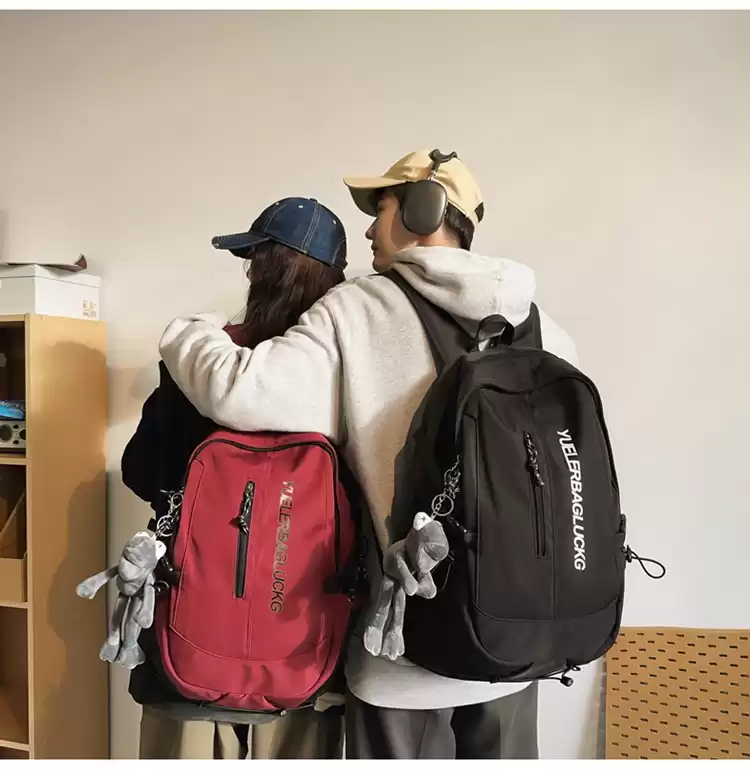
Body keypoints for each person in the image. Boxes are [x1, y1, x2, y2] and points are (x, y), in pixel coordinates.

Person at [157, 150, 579, 760]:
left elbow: (240, 392)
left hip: (403, 644)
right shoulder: (543, 327)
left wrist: (188, 332)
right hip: (517, 636)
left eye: (379, 209)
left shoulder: (362, 310)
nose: (368, 231)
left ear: (421, 208)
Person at [120, 196, 348, 760]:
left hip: (188, 644)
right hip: (305, 651)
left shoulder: (204, 361)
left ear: (258, 271)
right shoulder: (342, 376)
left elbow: (141, 470)